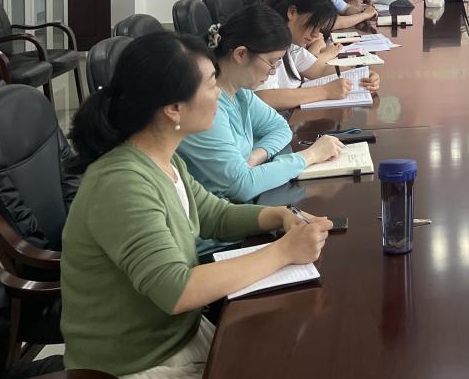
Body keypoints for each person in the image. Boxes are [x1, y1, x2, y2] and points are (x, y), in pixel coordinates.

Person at [60, 32, 332, 378]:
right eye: (211, 85)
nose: (219, 95)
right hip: (139, 362)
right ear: (173, 108)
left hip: (181, 336)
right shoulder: (121, 183)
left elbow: (214, 215)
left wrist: (278, 215)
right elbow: (176, 289)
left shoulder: (164, 157)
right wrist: (283, 252)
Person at [177, 6, 345, 202]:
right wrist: (311, 155)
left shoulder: (240, 93)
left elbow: (280, 128)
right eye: (271, 62)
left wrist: (255, 157)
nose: (273, 71)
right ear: (241, 54)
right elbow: (243, 186)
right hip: (224, 210)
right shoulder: (206, 108)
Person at [257, 0, 379, 110]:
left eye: (319, 27)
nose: (316, 34)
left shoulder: (291, 47)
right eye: (313, 25)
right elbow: (263, 97)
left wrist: (363, 74)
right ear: (292, 12)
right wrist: (325, 91)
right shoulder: (264, 46)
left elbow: (321, 69)